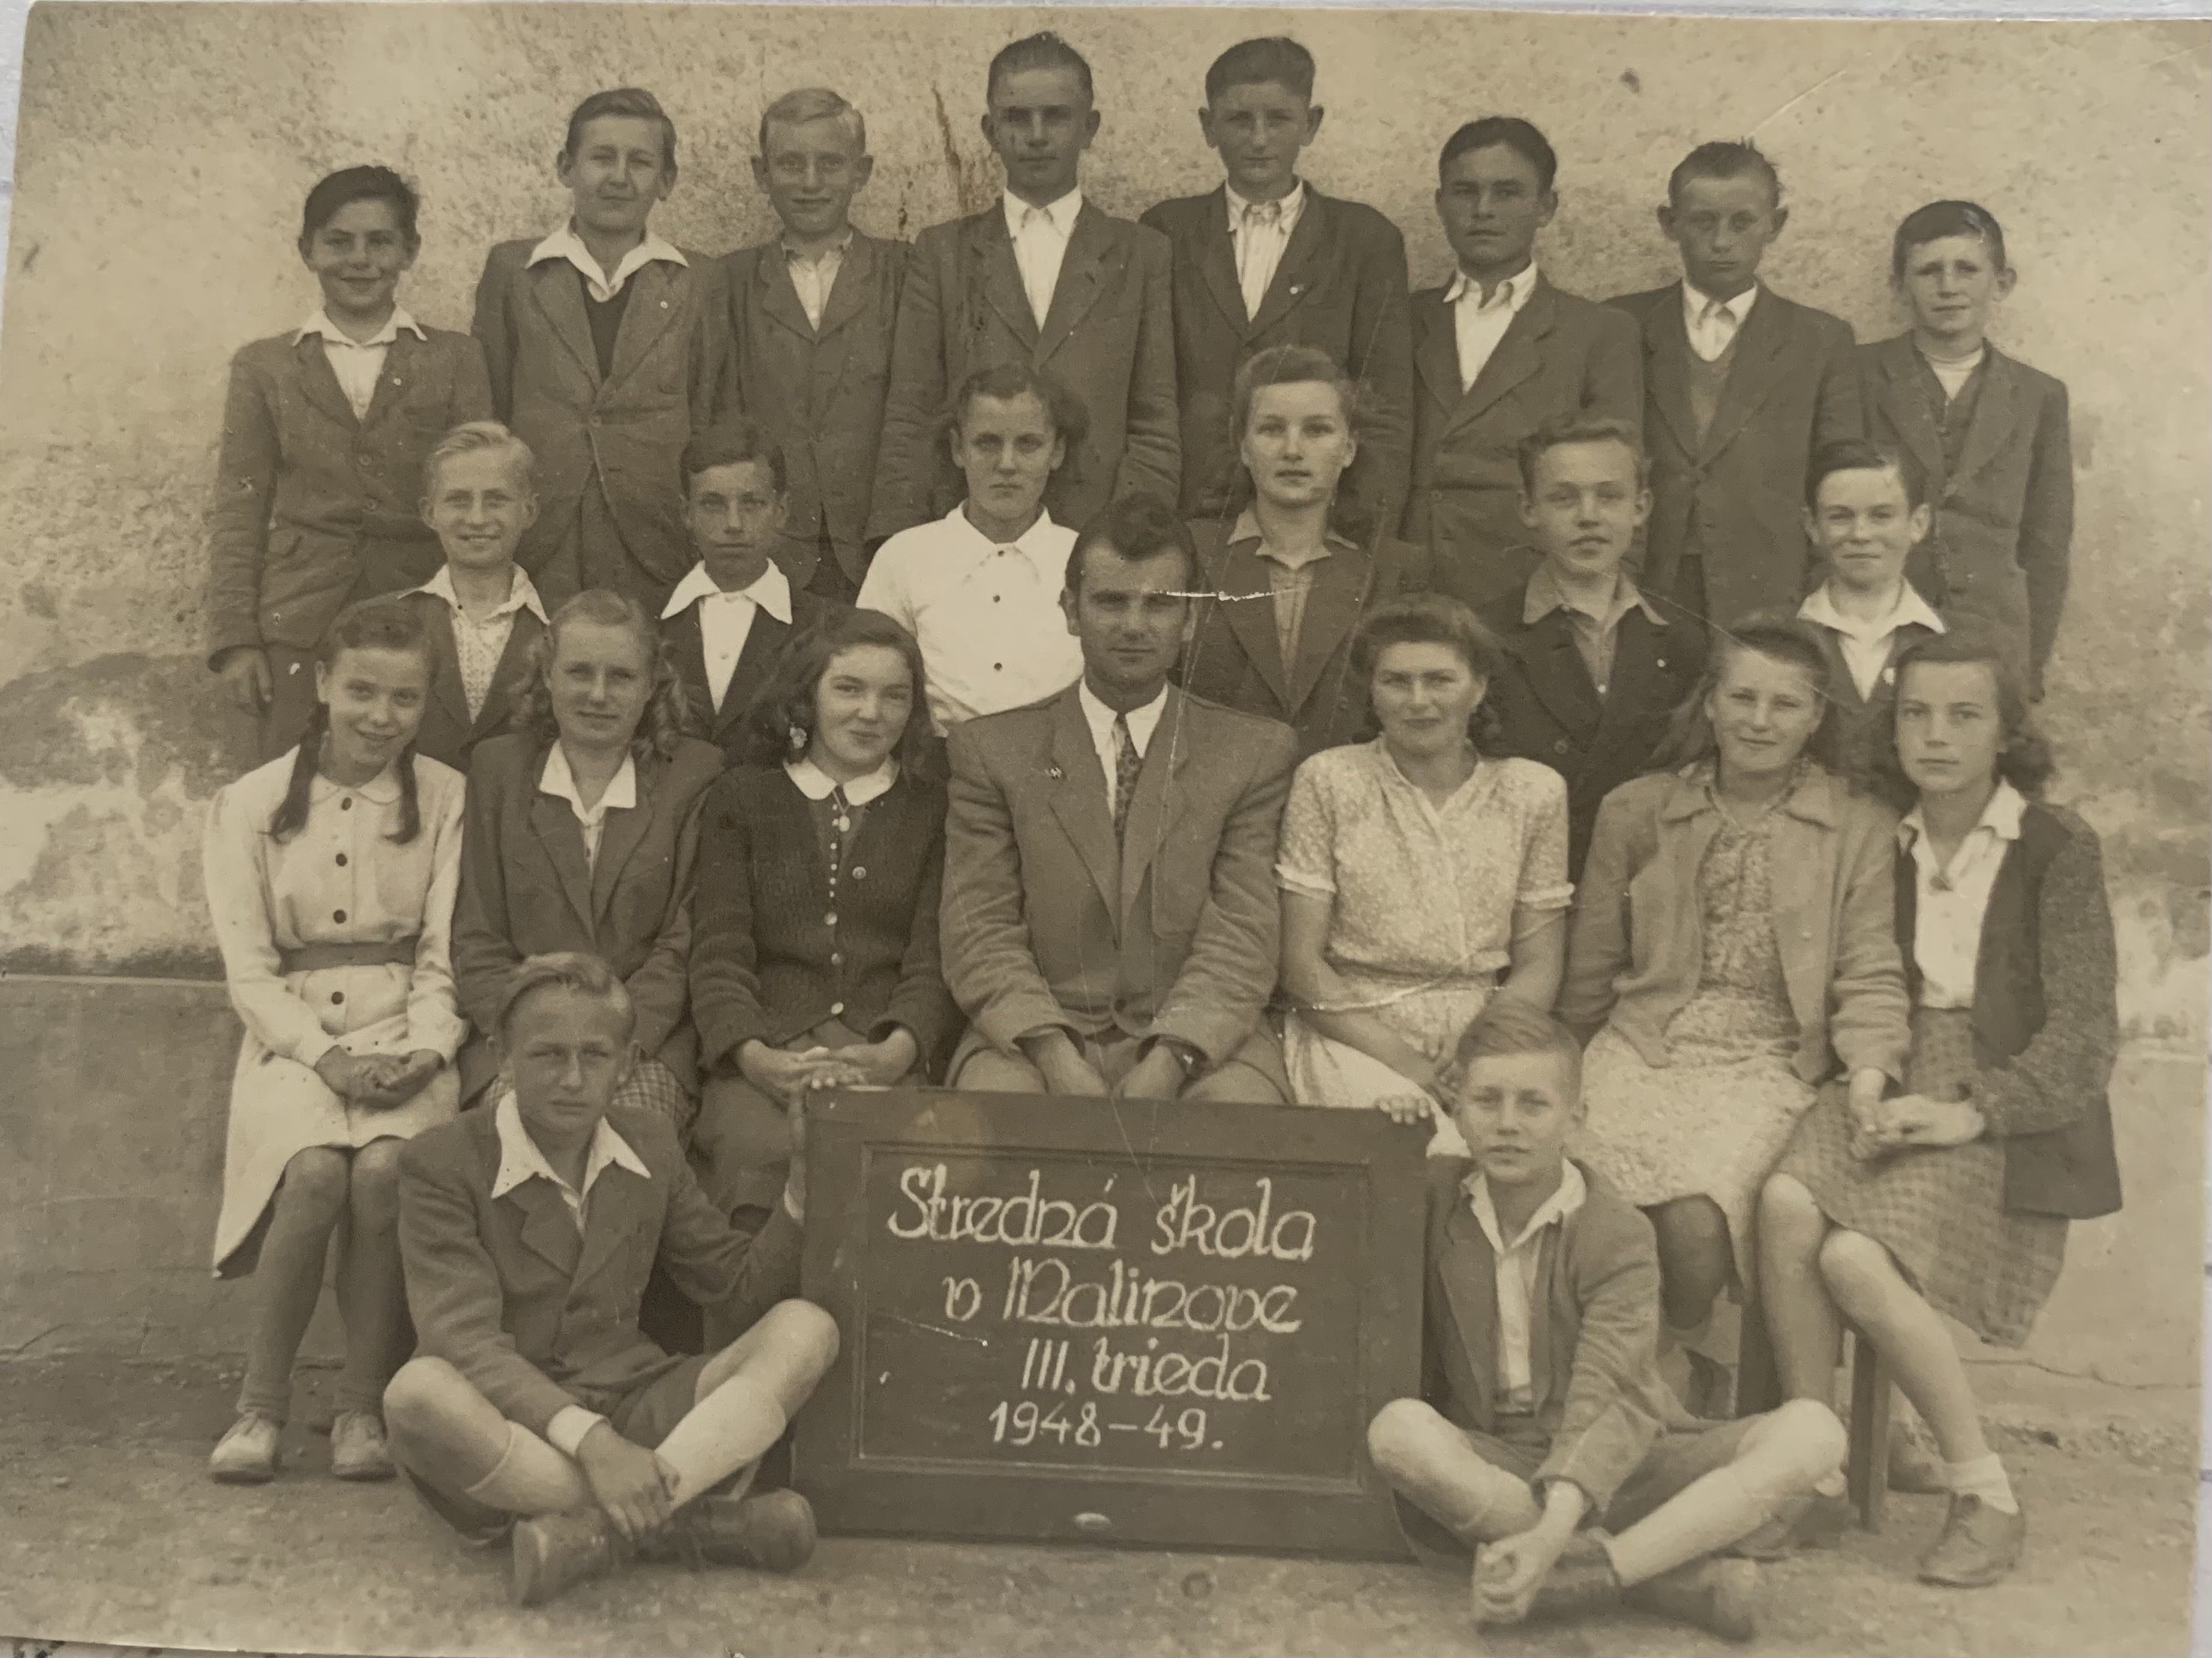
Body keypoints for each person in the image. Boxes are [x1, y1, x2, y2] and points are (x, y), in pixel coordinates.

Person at [1760, 630, 2120, 1587]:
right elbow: (1857, 975)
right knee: (1786, 1205)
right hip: (1884, 1056)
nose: (1935, 735)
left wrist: (1970, 1110)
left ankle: (1983, 1490)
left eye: (1964, 715)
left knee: (1853, 1256)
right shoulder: (1877, 832)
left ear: (2005, 732)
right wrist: (1870, 1072)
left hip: (2004, 1095)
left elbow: (2082, 1039)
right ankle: (1815, 1465)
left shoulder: (2054, 846)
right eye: (1914, 713)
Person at [1366, 1002, 1845, 1644]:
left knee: (1813, 1430)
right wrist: (1383, 1133)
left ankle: (1589, 1568)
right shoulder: (1435, 1197)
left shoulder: (1615, 1231)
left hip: (1629, 1453)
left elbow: (1610, 1389)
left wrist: (1552, 1529)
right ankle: (1657, 1575)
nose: (1507, 1124)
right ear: (1456, 1109)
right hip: (1504, 1462)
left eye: (1533, 1104)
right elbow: (1353, 1215)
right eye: (1486, 1101)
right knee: (1398, 1431)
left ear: (1576, 1117)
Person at [385, 952, 838, 1608]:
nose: (572, 1079)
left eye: (594, 1056)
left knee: (806, 1328)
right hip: (517, 1424)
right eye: (547, 1054)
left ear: (626, 1064)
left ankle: (597, 1532)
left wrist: (803, 1180)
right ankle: (692, 1520)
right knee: (416, 1393)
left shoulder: (648, 1141)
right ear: (502, 1056)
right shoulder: (442, 1160)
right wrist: (592, 1443)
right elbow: (463, 1342)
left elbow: (736, 1286)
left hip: (636, 1401)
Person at [1559, 616, 1909, 1417]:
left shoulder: (1856, 825)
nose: (1759, 720)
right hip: (1641, 1044)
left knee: (1693, 1229)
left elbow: (1869, 970)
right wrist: (1562, 1067)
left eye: (1784, 704)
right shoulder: (1639, 809)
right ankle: (1637, 1392)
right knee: (1586, 1209)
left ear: (1814, 716)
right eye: (1741, 697)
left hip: (1771, 1059)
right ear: (1709, 703)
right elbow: (1589, 970)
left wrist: (1867, 1072)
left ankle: (1673, 1365)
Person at [199, 596, 468, 1485]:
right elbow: (249, 971)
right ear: (321, 684)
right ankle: (260, 1405)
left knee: (387, 1171)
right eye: (360, 691)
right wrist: (326, 1055)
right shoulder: (250, 802)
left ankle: (361, 1404)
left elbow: (446, 951)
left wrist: (429, 1048)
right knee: (313, 1173)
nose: (380, 716)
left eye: (403, 697)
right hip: (294, 1036)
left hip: (406, 1027)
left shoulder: (447, 798)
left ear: (424, 701)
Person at [941, 494, 1297, 1103]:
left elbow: (1242, 934)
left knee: (1240, 1116)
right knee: (995, 1111)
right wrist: (1052, 1054)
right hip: (1037, 1033)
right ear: (1070, 610)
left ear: (1190, 618)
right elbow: (980, 929)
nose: (1134, 625)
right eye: (1110, 601)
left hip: (1198, 1040)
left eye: (1159, 604)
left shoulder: (1250, 752)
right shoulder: (992, 751)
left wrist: (1172, 1059)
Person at [688, 609, 961, 1243]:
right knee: (756, 1156)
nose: (871, 712)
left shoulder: (931, 809)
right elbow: (719, 951)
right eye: (848, 689)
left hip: (882, 1050)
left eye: (895, 696)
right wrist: (756, 1057)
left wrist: (896, 1052)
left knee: (897, 1179)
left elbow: (932, 958)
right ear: (805, 696)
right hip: (765, 1052)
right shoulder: (742, 797)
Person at [206, 166, 493, 762]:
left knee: (422, 781)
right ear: (307, 250)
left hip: (420, 612)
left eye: (380, 241)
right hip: (298, 617)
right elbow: (240, 507)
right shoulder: (265, 367)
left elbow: (480, 497)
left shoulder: (455, 359)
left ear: (409, 251)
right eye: (339, 242)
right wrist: (237, 640)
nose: (360, 260)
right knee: (292, 781)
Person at [1275, 594, 1570, 1155]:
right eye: (1396, 681)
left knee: (1528, 1152)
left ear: (1478, 688)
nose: (1418, 701)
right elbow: (1301, 963)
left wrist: (1477, 1050)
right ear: (1371, 690)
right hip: (1354, 1029)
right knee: (1426, 1150)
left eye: (1439, 680)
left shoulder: (1533, 791)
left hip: (1489, 1030)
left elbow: (1540, 962)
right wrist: (1404, 1061)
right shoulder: (1330, 780)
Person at [868, 32, 1178, 542]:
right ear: (990, 131)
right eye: (1016, 118)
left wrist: (1128, 542)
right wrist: (901, 546)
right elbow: (911, 412)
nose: (1036, 136)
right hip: (968, 534)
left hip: (1097, 535)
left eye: (1056, 117)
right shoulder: (943, 252)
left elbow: (1154, 421)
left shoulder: (1140, 253)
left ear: (1089, 128)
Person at [451, 590, 724, 1132]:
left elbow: (682, 941)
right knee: (521, 1134)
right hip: (520, 1037)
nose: (598, 695)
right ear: (547, 674)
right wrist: (535, 1038)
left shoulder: (693, 775)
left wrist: (614, 1044)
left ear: (651, 684)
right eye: (579, 672)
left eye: (621, 676)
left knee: (628, 1137)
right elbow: (477, 937)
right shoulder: (498, 770)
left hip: (642, 1041)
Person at [473, 88, 729, 615]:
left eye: (640, 162)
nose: (619, 177)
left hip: (655, 539)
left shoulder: (697, 280)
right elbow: (489, 408)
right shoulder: (514, 271)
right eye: (601, 157)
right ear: (566, 168)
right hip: (540, 535)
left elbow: (708, 415)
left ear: (667, 181)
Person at [1139, 37, 1412, 528]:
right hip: (1193, 506)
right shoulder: (1167, 231)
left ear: (1311, 124)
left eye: (1279, 119)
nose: (1259, 139)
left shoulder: (1364, 239)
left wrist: (1366, 528)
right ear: (1208, 126)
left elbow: (1384, 404)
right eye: (1239, 120)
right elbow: (1148, 394)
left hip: (1317, 514)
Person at [1608, 142, 1860, 630]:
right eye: (1702, 222)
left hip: (1768, 583)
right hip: (1647, 580)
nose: (1721, 242)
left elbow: (1840, 475)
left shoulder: (1820, 339)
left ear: (1775, 225)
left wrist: (1816, 584)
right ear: (1669, 222)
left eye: (1742, 222)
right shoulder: (1622, 325)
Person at [1405, 118, 1642, 612]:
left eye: (1507, 192)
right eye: (1465, 192)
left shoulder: (1596, 332)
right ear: (1440, 204)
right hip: (1412, 585)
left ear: (1545, 206)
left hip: (1531, 590)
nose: (1483, 210)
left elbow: (1619, 475)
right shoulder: (1401, 319)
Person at [1860, 201, 2073, 699]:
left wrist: (2029, 663)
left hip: (1993, 636)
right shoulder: (1857, 375)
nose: (1948, 286)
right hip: (1878, 628)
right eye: (1928, 271)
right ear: (1898, 286)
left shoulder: (2038, 395)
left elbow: (2046, 543)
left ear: (2001, 283)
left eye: (1967, 269)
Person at [1480, 415, 1706, 880]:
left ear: (1641, 507)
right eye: (1564, 498)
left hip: (1643, 881)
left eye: (1609, 496)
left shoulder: (1683, 642)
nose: (1588, 516)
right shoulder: (1486, 637)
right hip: (1522, 878)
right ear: (1528, 509)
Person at [1179, 345, 1430, 760]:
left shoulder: (1395, 571)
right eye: (1271, 429)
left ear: (1348, 449)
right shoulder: (1190, 552)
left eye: (1316, 430)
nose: (1292, 450)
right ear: (1243, 447)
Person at [720, 88, 905, 605]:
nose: (810, 182)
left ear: (861, 172)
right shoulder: (729, 281)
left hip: (874, 543)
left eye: (830, 163)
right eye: (790, 164)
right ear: (761, 174)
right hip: (771, 545)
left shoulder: (903, 272)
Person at [856, 362, 1086, 735]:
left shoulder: (1085, 559)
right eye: (987, 443)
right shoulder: (904, 558)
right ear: (957, 448)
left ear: (1056, 451)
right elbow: (872, 678)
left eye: (1028, 444)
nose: (1007, 464)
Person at [660, 422, 840, 765]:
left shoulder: (824, 625)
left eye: (752, 504)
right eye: (713, 505)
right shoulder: (648, 616)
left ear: (781, 511)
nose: (733, 524)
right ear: (687, 513)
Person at [398, 421, 551, 772]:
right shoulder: (392, 618)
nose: (477, 518)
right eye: (458, 500)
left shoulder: (559, 625)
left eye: (496, 500)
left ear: (529, 511)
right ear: (430, 513)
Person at [1794, 439, 1946, 747]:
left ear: (1918, 523)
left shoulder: (1951, 638)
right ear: (1813, 526)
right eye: (1840, 516)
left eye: (1881, 516)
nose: (1860, 534)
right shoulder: (1784, 636)